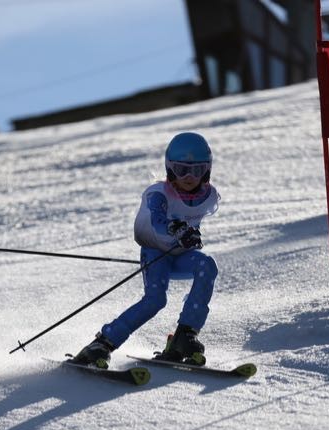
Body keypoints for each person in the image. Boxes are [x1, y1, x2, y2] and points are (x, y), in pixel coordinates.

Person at [70, 132, 220, 368]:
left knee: (207, 265)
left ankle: (185, 335)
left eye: (197, 170)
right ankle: (102, 343)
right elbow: (157, 220)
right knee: (155, 300)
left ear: (207, 170)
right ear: (170, 169)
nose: (189, 177)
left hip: (179, 255)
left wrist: (191, 237)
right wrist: (177, 229)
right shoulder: (158, 193)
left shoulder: (208, 196)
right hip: (155, 253)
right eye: (182, 170)